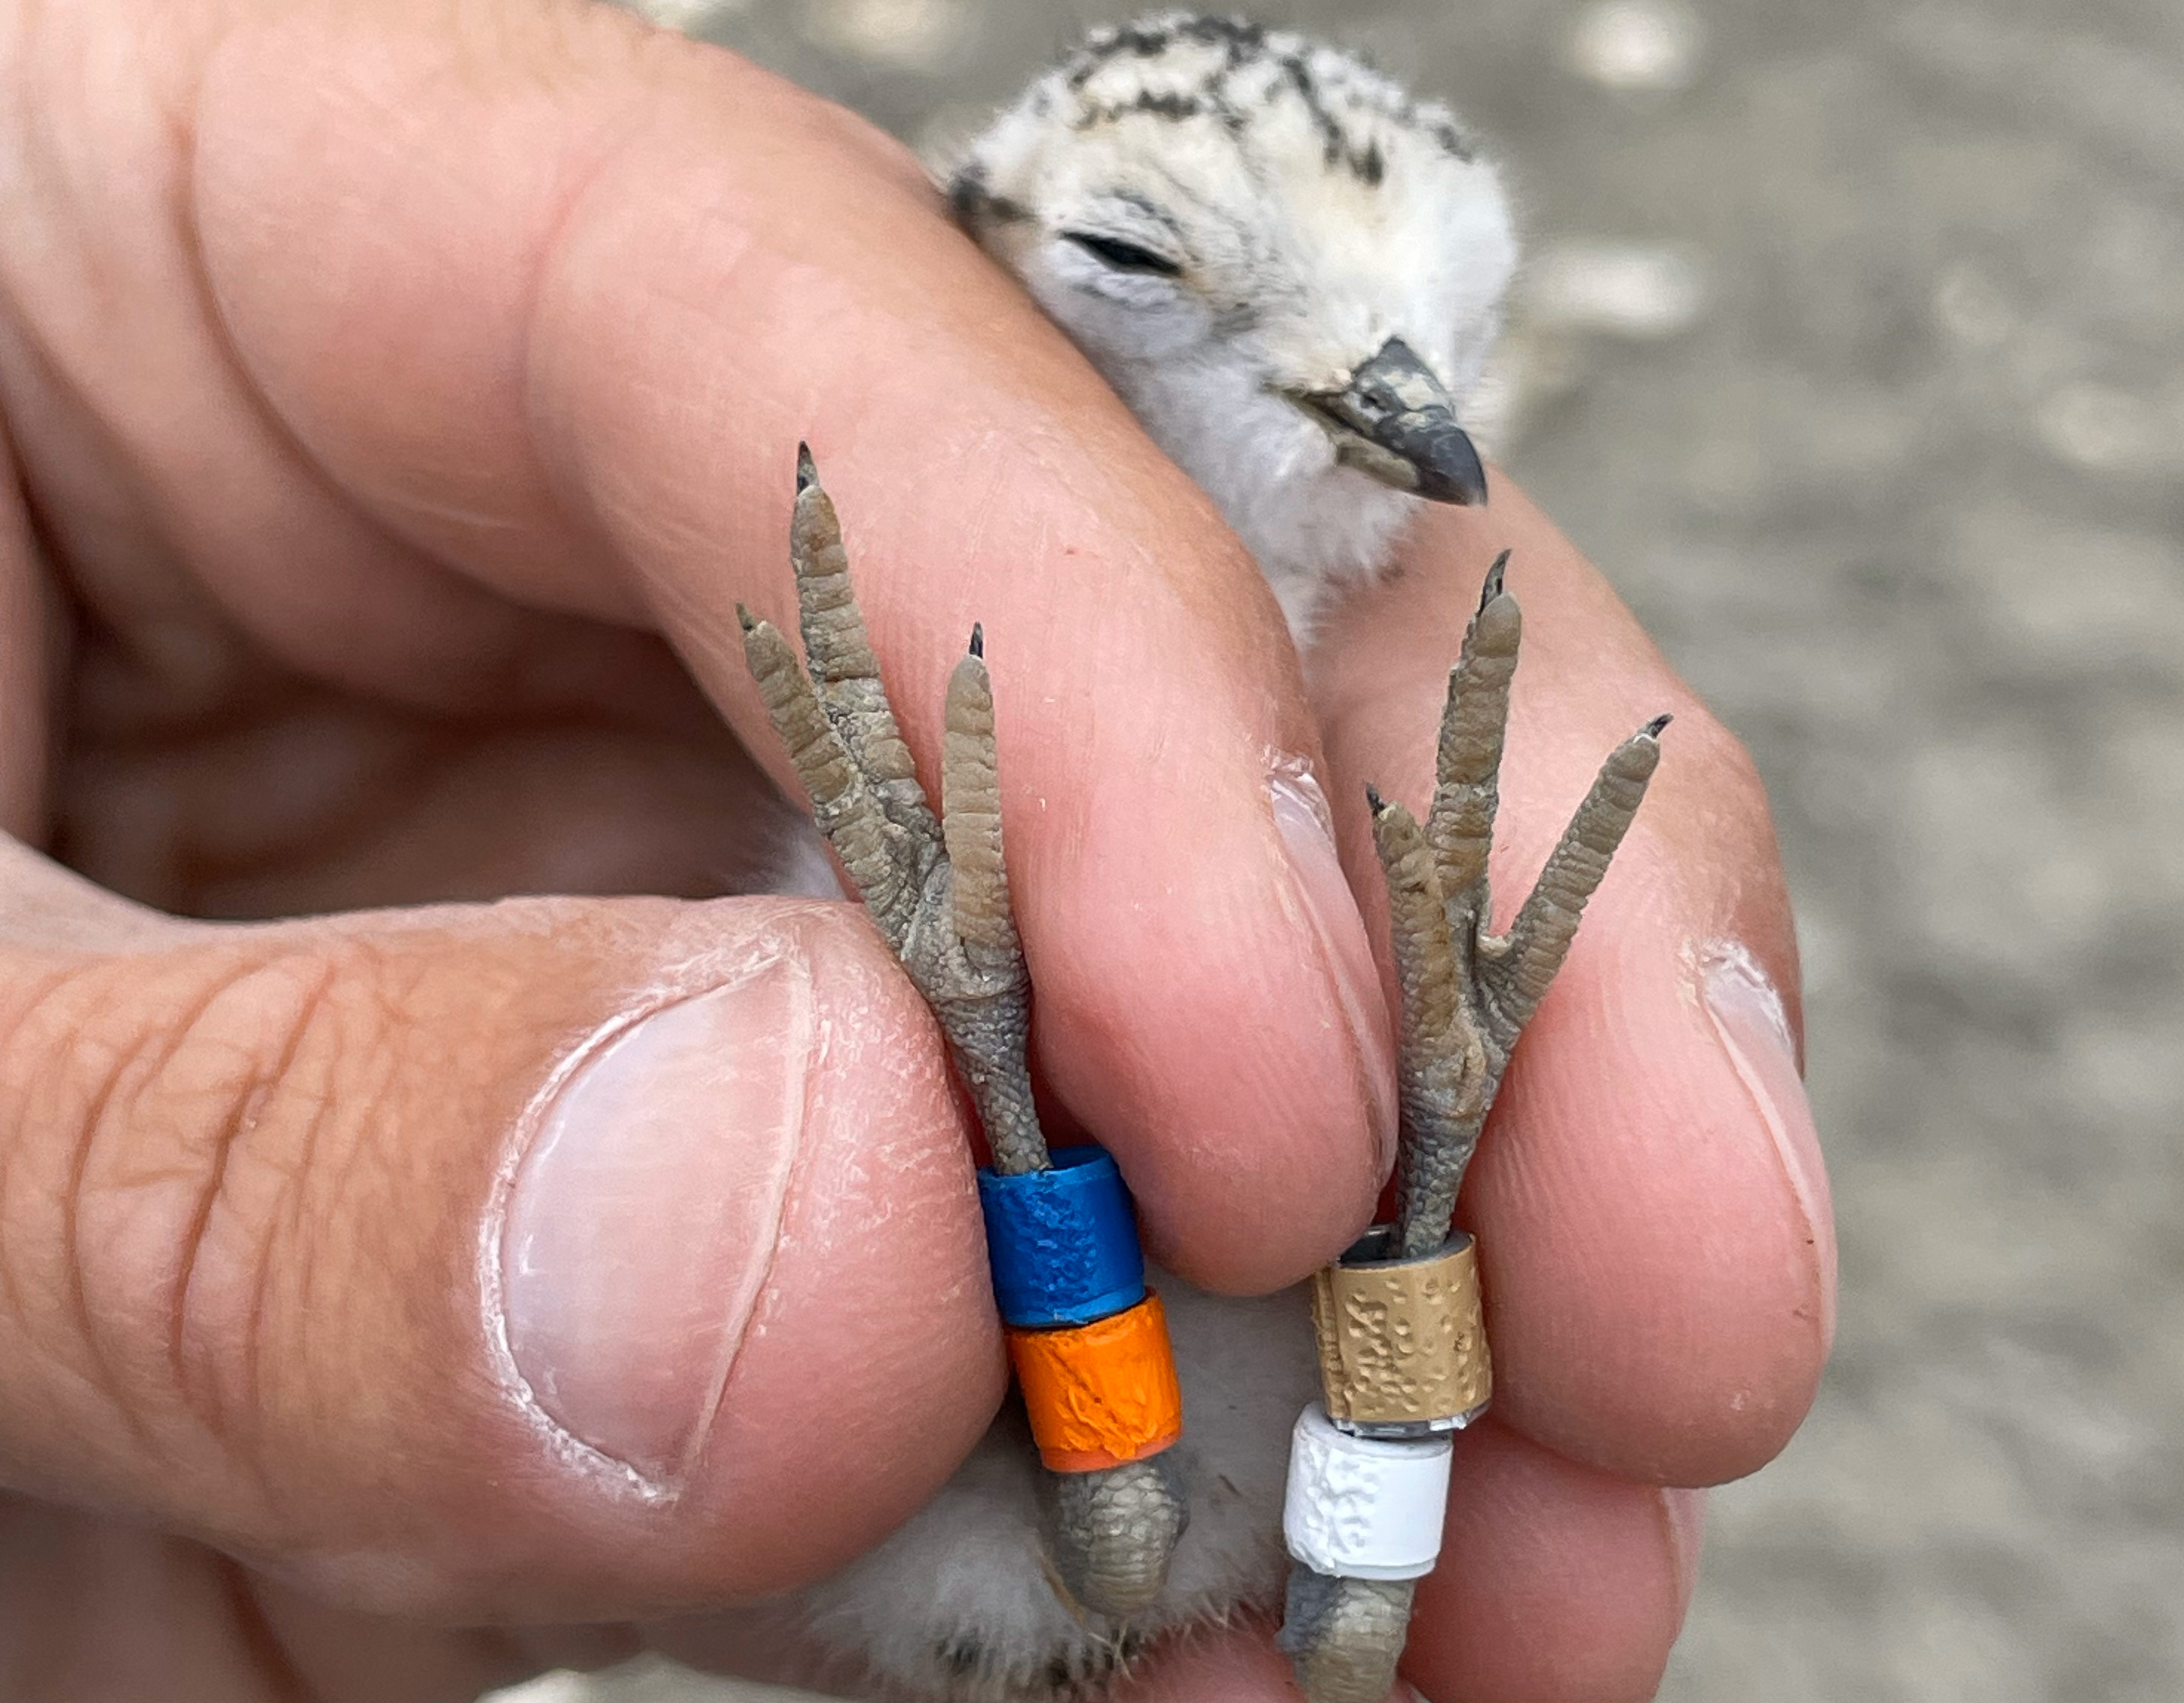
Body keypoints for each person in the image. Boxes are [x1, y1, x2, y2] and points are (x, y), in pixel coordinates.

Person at [0, 2, 1835, 1698]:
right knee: (1229, 1352)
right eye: (1138, 262)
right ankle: (1298, 1368)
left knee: (1267, 1391)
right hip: (929, 1468)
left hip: (1096, 1454)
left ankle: (1296, 1375)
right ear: (1000, 273)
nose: (1390, 396)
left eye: (1449, 312)